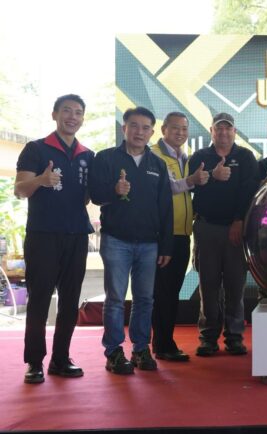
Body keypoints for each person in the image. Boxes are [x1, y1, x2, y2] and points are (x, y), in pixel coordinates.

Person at [15, 94, 94, 384]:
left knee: (70, 300)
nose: (72, 117)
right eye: (66, 111)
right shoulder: (36, 149)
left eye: (78, 112)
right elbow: (20, 189)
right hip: (43, 235)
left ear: (83, 118)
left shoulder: (88, 155)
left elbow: (87, 196)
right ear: (54, 114)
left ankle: (61, 359)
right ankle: (34, 362)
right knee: (39, 299)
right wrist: (40, 180)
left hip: (77, 235)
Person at [89, 107, 173, 375]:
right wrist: (114, 190)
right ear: (124, 128)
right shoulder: (106, 158)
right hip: (116, 240)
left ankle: (140, 348)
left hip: (149, 243)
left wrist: (166, 245)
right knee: (115, 298)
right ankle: (113, 351)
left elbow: (165, 208)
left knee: (145, 299)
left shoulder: (157, 164)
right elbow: (94, 195)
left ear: (152, 132)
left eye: (145, 127)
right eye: (134, 126)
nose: (139, 132)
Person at [187, 113, 259, 357]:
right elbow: (191, 187)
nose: (224, 133)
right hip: (206, 228)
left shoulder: (246, 157)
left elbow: (249, 192)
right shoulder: (199, 157)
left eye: (228, 129)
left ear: (234, 132)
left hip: (235, 229)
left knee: (235, 286)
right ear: (211, 131)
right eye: (219, 129)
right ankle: (208, 337)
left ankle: (234, 336)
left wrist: (239, 220)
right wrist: (212, 177)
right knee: (208, 285)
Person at [150, 112, 209, 362]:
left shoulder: (184, 157)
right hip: (163, 234)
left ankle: (165, 342)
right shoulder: (154, 155)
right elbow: (167, 187)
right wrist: (192, 180)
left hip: (182, 233)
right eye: (175, 128)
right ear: (163, 129)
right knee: (162, 292)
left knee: (172, 291)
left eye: (184, 129)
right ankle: (160, 344)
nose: (180, 133)